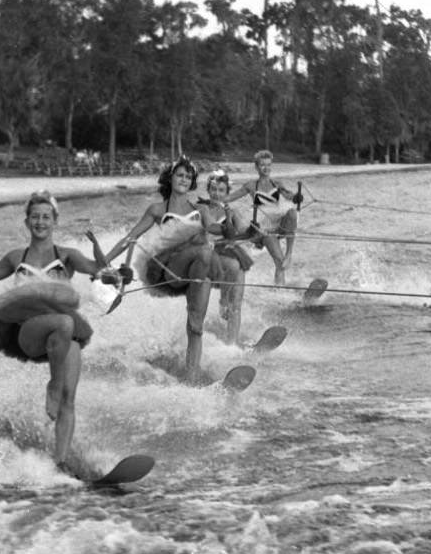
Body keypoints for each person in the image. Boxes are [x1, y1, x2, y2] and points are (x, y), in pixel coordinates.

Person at [0, 190, 121, 471]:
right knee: (65, 322)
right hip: (28, 335)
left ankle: (59, 464)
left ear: (55, 221)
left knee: (70, 395)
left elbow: (99, 269)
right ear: (27, 222)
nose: (41, 222)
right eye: (35, 217)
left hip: (60, 339)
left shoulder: (67, 256)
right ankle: (53, 386)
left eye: (46, 217)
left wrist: (108, 266)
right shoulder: (15, 257)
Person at [104, 155, 228, 383]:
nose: (184, 179)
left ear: (192, 183)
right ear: (170, 178)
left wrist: (231, 227)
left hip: (198, 272)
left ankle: (191, 378)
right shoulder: (158, 209)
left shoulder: (200, 208)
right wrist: (105, 259)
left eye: (188, 176)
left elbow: (213, 227)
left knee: (196, 328)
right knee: (204, 253)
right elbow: (130, 238)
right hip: (169, 271)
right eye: (180, 175)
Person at [222, 149, 303, 285]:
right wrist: (217, 198)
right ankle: (280, 291)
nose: (266, 168)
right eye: (262, 165)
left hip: (279, 223)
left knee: (292, 213)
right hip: (264, 229)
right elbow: (230, 197)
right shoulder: (251, 185)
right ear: (257, 167)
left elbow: (289, 195)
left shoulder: (277, 184)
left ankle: (289, 254)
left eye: (269, 164)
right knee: (279, 261)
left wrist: (296, 198)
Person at [203, 169, 254, 344]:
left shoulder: (231, 212)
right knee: (233, 265)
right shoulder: (201, 210)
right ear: (208, 190)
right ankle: (223, 299)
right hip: (210, 258)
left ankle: (231, 344)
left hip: (231, 254)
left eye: (221, 190)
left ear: (226, 193)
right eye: (214, 189)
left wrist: (253, 231)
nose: (217, 194)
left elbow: (244, 233)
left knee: (237, 302)